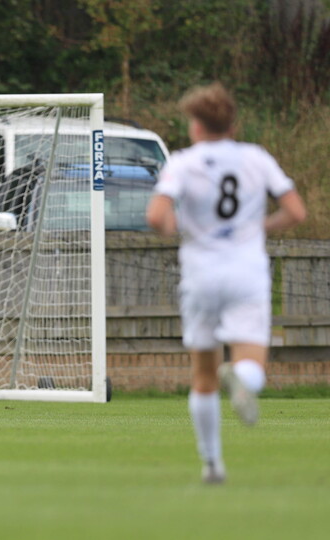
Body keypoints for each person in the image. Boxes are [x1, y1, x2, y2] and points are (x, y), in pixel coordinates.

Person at [146, 82, 306, 484]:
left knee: (203, 376)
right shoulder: (256, 158)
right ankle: (242, 378)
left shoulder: (183, 162)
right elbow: (295, 211)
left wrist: (173, 227)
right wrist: (258, 227)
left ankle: (212, 464)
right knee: (252, 364)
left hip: (201, 274)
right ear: (232, 125)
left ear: (196, 126)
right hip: (246, 272)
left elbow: (156, 216)